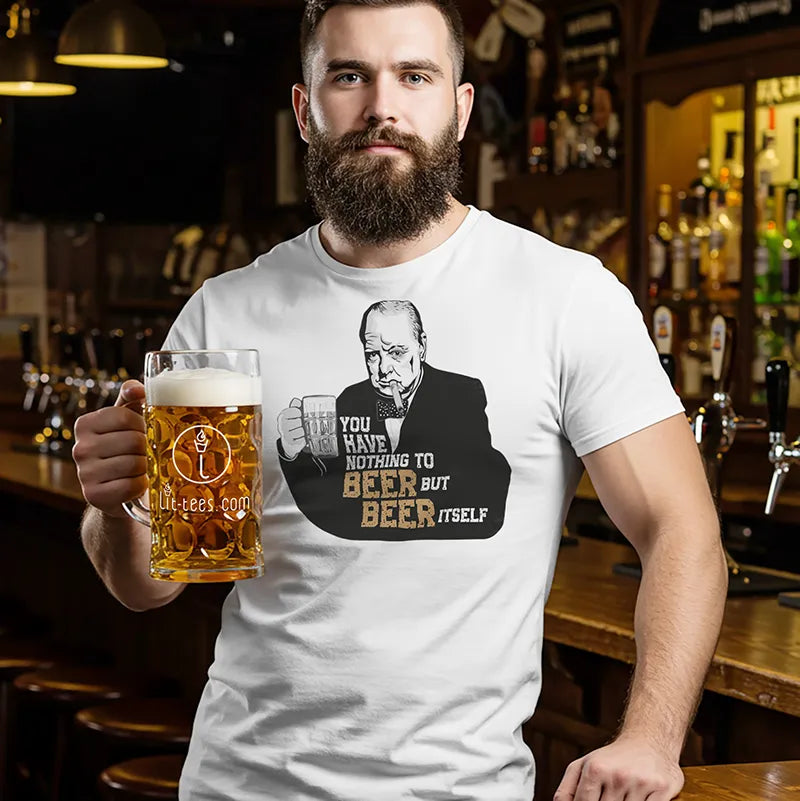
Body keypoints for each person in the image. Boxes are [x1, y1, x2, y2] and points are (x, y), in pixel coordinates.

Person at [72, 2, 728, 800]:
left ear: (460, 108)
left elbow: (682, 527)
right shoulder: (226, 313)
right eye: (349, 75)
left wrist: (652, 738)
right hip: (243, 781)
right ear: (305, 109)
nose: (382, 106)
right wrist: (118, 507)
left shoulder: (565, 296)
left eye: (414, 76)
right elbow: (153, 582)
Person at [277, 299, 512, 540]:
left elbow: (479, 488)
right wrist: (293, 451)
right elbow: (328, 493)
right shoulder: (350, 399)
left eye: (397, 353)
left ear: (421, 346)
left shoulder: (461, 394)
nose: (383, 369)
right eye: (373, 355)